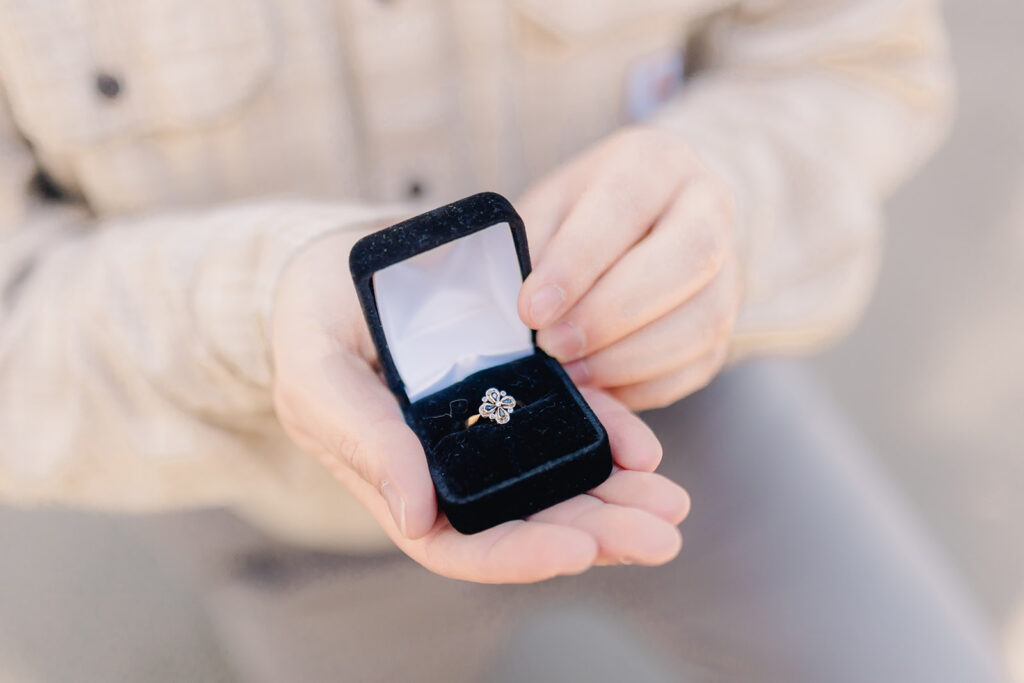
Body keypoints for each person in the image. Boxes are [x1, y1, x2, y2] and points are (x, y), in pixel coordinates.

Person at [0, 0, 1007, 681]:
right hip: (288, 519)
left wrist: (715, 203)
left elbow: (854, 50)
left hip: (683, 410)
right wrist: (254, 319)